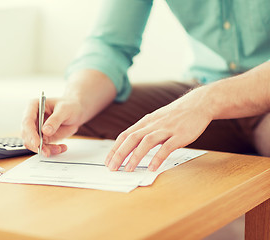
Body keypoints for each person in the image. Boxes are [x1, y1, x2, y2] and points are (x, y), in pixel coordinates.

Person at [21, 0, 270, 172]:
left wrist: (208, 101)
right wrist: (77, 100)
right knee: (82, 121)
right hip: (202, 87)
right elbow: (110, 44)